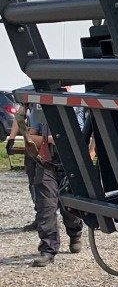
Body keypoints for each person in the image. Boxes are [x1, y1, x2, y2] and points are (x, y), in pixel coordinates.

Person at [24, 103, 83, 267]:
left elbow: (87, 137)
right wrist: (48, 139)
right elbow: (30, 136)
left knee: (69, 207)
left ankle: (75, 232)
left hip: (70, 164)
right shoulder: (39, 109)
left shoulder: (77, 107)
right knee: (45, 208)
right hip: (46, 163)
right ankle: (48, 250)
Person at [6, 103, 37, 231]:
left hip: (49, 143)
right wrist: (12, 138)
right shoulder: (30, 97)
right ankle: (42, 216)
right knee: (33, 182)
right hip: (33, 145)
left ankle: (71, 223)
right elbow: (19, 116)